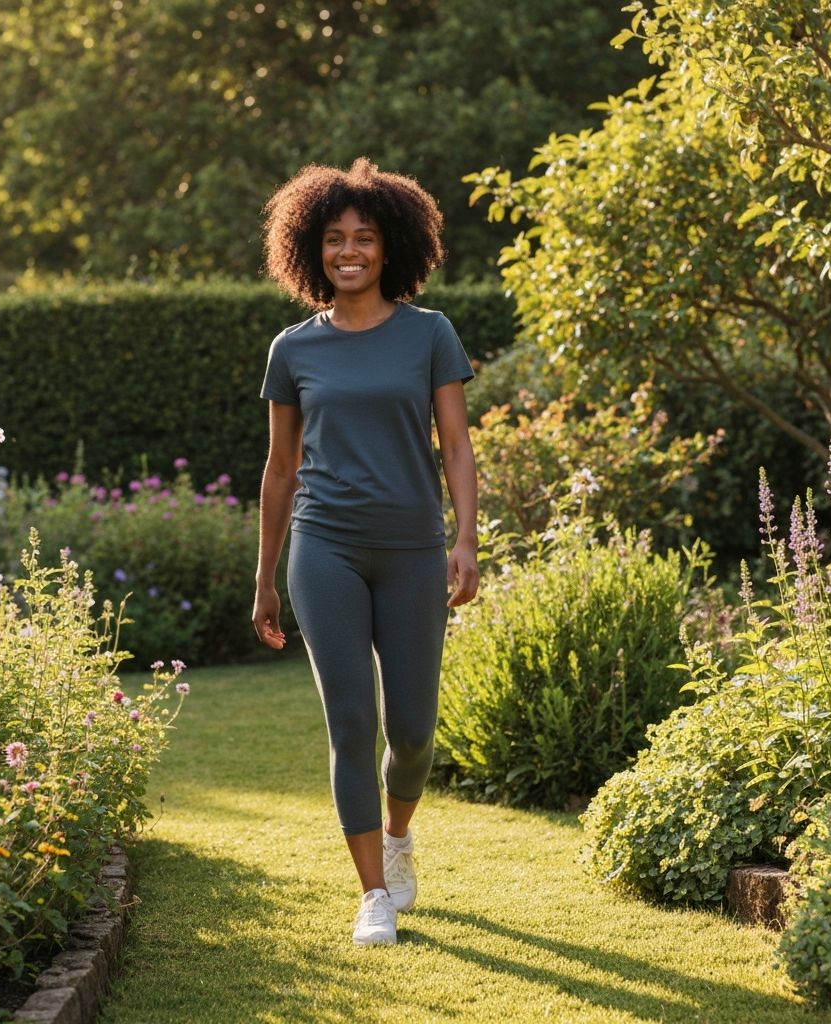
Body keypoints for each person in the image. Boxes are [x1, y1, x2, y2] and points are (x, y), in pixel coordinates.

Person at [252, 157, 479, 947]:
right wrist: (265, 578)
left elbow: (456, 445)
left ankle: (399, 835)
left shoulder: (430, 333)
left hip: (414, 548)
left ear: (392, 249)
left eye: (366, 238)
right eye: (335, 238)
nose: (350, 251)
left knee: (413, 730)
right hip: (326, 548)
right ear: (311, 249)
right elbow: (280, 468)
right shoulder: (293, 349)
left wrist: (466, 539)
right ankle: (373, 894)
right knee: (352, 721)